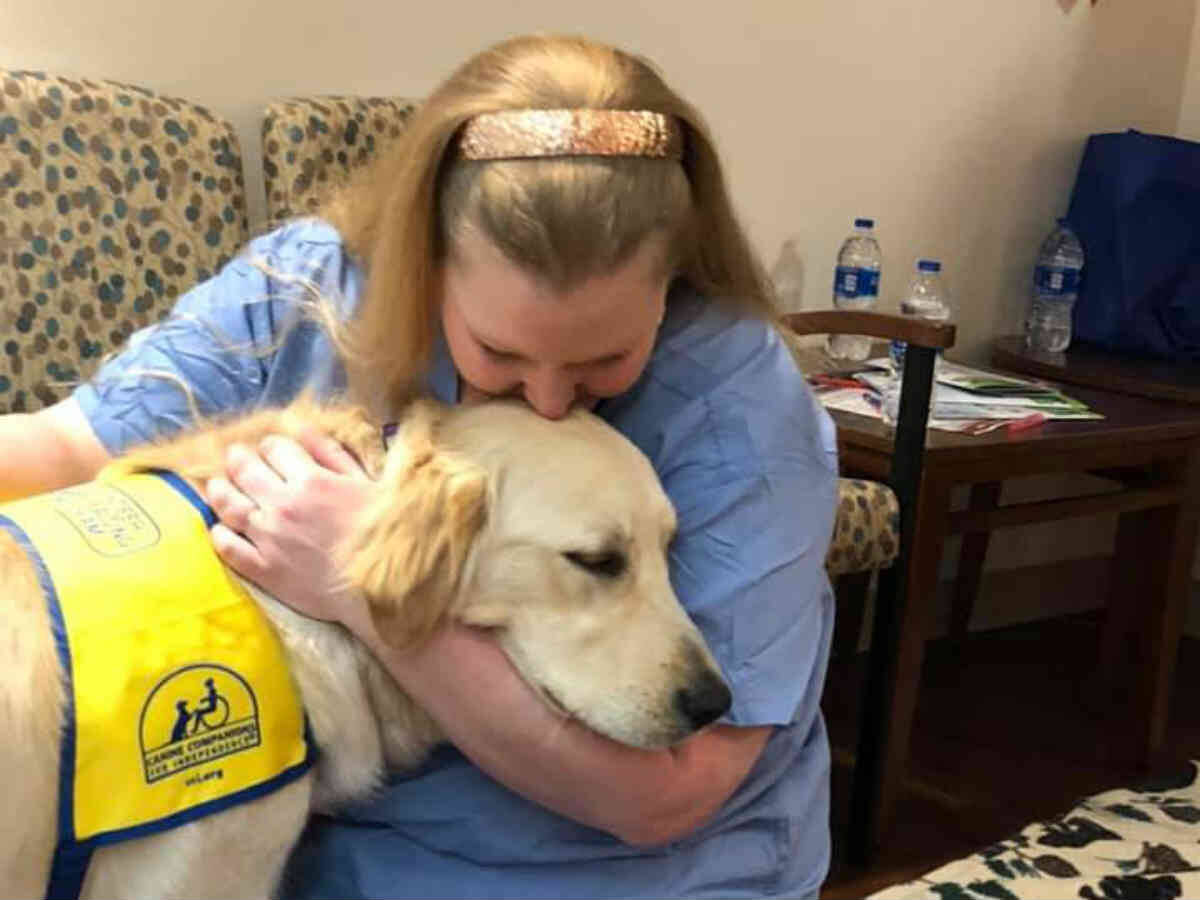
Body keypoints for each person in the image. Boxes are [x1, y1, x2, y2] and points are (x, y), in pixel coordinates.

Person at [0, 34, 839, 899]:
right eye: (500, 351)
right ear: (427, 263)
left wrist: (364, 584)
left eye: (605, 359)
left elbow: (664, 798)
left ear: (671, 288)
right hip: (338, 859)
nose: (552, 401)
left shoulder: (739, 410)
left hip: (619, 872)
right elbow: (66, 448)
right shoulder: (311, 288)